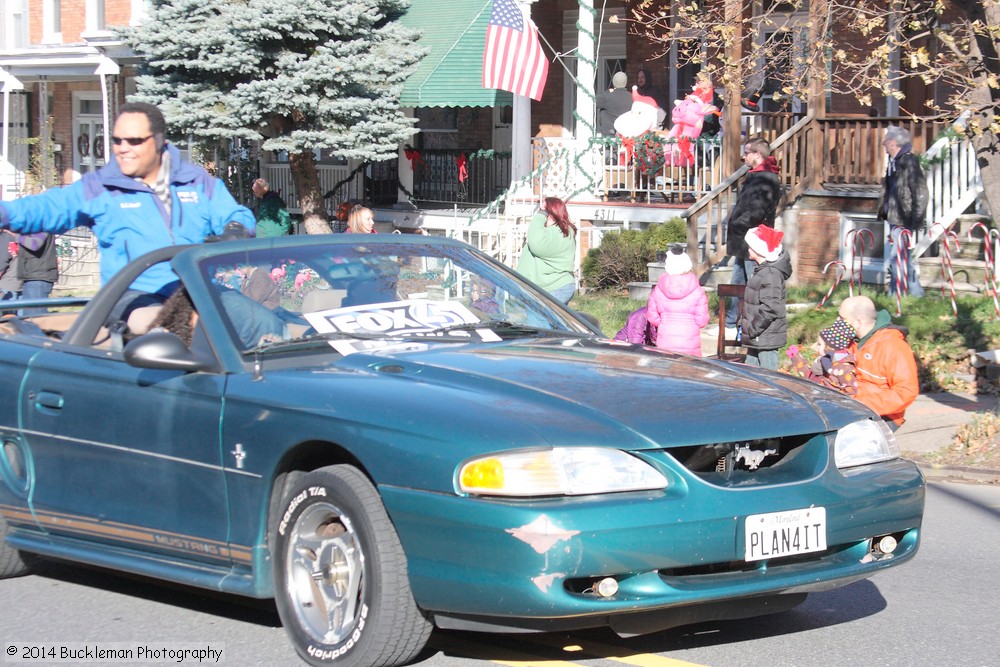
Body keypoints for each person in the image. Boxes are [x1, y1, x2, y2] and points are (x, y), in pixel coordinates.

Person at [0, 102, 255, 326]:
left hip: (195, 291)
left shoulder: (196, 182)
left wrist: (235, 230)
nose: (123, 148)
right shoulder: (100, 188)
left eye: (134, 140)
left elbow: (235, 213)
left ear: (159, 143)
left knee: (268, 322)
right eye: (117, 140)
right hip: (132, 298)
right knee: (164, 324)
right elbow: (45, 208)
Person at [723, 137, 782, 330]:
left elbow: (756, 210)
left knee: (754, 284)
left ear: (758, 154)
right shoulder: (756, 175)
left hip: (753, 239)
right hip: (744, 240)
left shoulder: (766, 177)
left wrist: (738, 225)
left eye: (747, 152)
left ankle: (752, 324)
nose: (743, 156)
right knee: (737, 281)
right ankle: (732, 321)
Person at [838, 295, 919, 429]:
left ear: (858, 322)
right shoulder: (851, 342)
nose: (837, 322)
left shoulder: (894, 346)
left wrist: (858, 404)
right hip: (849, 404)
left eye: (842, 319)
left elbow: (906, 392)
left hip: (883, 414)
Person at [879, 126, 928, 297]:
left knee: (896, 258)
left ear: (893, 142)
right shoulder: (894, 162)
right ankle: (917, 294)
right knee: (903, 258)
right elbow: (891, 192)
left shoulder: (908, 161)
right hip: (895, 219)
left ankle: (894, 296)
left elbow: (920, 192)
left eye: (885, 140)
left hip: (903, 219)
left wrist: (915, 221)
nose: (883, 143)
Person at [741, 225, 791, 370]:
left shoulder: (770, 274)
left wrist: (753, 328)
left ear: (759, 250)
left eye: (750, 246)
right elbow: (753, 303)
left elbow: (770, 308)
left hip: (765, 336)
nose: (748, 249)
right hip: (757, 336)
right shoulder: (761, 271)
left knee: (769, 376)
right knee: (750, 375)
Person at [645, 245, 709, 356]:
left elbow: (652, 316)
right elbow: (702, 320)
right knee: (689, 369)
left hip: (665, 340)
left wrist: (664, 322)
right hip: (690, 342)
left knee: (667, 370)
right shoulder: (698, 291)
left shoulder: (658, 290)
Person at [515, 197, 577, 305]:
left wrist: (540, 213)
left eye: (546, 213)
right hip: (551, 288)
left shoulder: (560, 233)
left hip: (553, 288)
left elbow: (536, 243)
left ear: (552, 215)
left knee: (536, 321)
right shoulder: (561, 232)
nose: (545, 217)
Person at [786, 317, 858, 395]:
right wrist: (796, 359)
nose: (814, 347)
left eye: (819, 344)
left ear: (829, 347)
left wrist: (832, 398)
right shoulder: (824, 361)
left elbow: (851, 392)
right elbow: (811, 378)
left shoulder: (844, 368)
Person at [15, 233, 58, 316]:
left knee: (35, 318)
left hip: (38, 278)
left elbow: (34, 244)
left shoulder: (42, 225)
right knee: (30, 317)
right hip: (33, 276)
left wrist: (17, 235)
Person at [596, 72, 633, 136]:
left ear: (613, 82)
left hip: (609, 137)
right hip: (626, 137)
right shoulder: (632, 97)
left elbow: (592, 100)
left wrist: (607, 92)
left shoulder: (608, 97)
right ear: (625, 82)